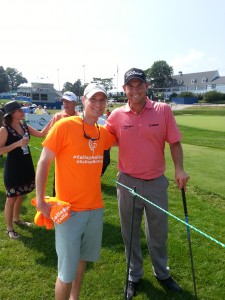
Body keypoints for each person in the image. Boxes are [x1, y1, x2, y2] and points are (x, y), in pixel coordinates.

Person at [106, 68, 190, 298]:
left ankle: (162, 273)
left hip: (155, 183)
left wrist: (179, 168)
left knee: (158, 232)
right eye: (130, 86)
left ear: (147, 86)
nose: (135, 90)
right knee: (129, 232)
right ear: (124, 89)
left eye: (139, 85)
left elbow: (174, 142)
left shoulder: (162, 110)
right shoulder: (116, 115)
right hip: (127, 182)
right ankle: (134, 275)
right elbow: (103, 140)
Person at [35, 83, 116, 300]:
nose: (98, 105)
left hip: (95, 210)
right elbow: (43, 163)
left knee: (82, 261)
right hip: (68, 212)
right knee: (66, 272)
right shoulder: (64, 126)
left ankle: (75, 298)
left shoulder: (103, 132)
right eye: (93, 99)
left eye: (102, 100)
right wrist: (41, 201)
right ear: (83, 100)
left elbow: (124, 138)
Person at [0, 100, 46, 239]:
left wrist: (55, 120)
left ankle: (16, 219)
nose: (23, 112)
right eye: (20, 110)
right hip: (13, 167)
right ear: (12, 114)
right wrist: (17, 144)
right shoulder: (4, 129)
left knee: (21, 194)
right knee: (11, 198)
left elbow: (41, 134)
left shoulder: (23, 125)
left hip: (25, 164)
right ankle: (9, 229)